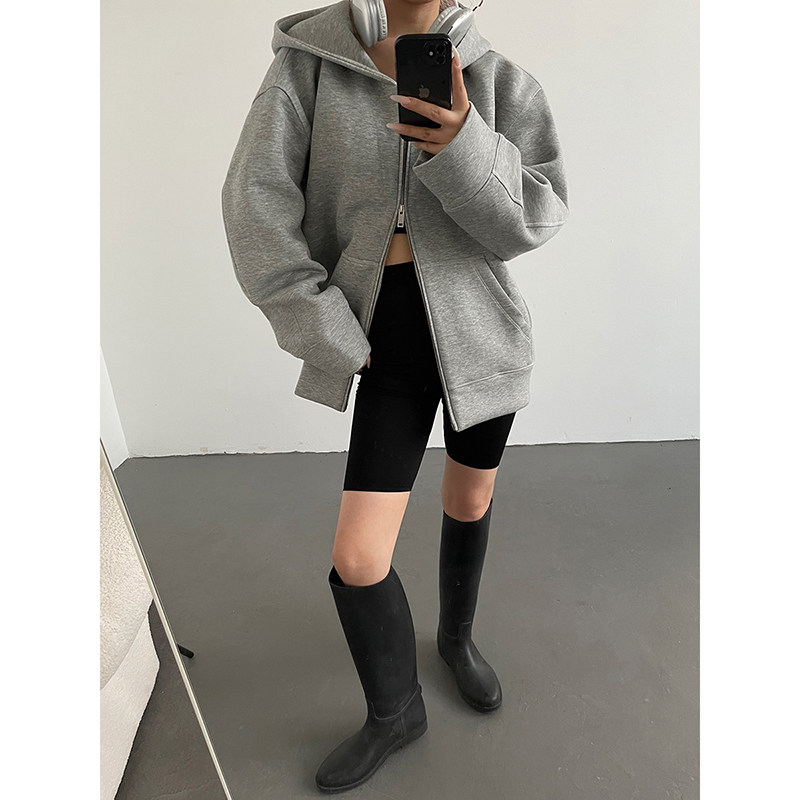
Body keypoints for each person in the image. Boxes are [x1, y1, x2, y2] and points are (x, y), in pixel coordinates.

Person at [221, 0, 569, 792]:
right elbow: (254, 209)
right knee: (358, 556)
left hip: (483, 335)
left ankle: (456, 639)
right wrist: (325, 330)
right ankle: (396, 711)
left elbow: (534, 219)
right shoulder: (306, 71)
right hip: (381, 339)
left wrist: (464, 143)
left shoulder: (499, 81)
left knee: (470, 499)